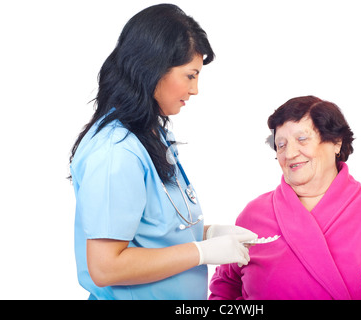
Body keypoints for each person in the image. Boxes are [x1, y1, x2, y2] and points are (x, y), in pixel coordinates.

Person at [68, 4, 256, 300]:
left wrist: (207, 234)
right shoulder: (116, 152)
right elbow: (106, 267)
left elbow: (154, 233)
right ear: (153, 69)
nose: (195, 90)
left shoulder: (150, 135)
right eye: (190, 75)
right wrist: (201, 252)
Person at [209, 95, 361, 300]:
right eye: (281, 145)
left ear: (336, 142)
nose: (290, 154)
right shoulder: (253, 214)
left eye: (302, 139)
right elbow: (224, 288)